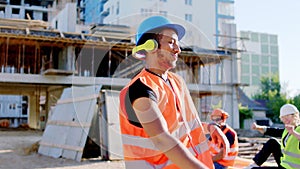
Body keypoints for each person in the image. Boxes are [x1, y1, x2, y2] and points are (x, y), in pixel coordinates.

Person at [119, 15, 229, 169]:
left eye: (178, 44)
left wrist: (209, 127)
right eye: (171, 43)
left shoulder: (176, 82)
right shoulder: (139, 89)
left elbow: (180, 126)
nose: (178, 49)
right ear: (151, 46)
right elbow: (161, 139)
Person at [245, 103, 300, 169]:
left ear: (295, 116)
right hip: (285, 164)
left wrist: (294, 133)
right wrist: (257, 127)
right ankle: (255, 164)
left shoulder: (297, 130)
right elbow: (273, 131)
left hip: (293, 167)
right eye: (283, 117)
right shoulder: (287, 130)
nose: (285, 120)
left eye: (288, 116)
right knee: (272, 142)